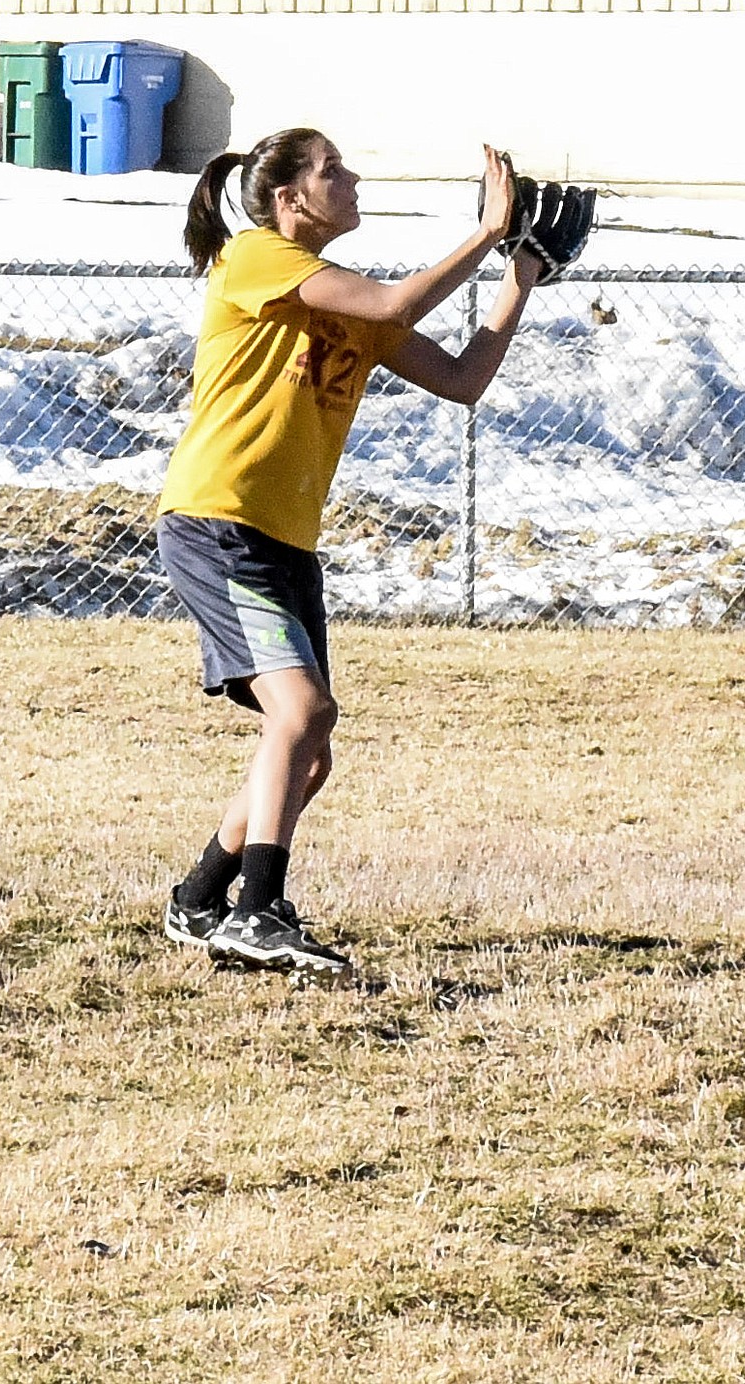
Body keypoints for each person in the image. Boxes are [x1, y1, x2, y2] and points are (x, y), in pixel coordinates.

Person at [157, 128, 542, 984]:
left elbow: (464, 377)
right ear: (291, 200)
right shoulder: (255, 256)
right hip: (219, 521)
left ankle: (199, 901)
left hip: (285, 542)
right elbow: (395, 306)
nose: (353, 176)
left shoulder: (351, 306)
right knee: (298, 716)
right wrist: (483, 231)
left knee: (309, 748)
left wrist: (520, 275)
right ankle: (257, 914)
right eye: (333, 170)